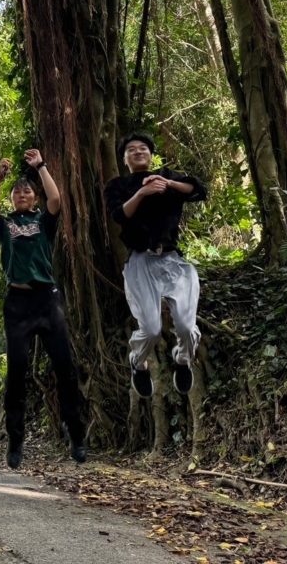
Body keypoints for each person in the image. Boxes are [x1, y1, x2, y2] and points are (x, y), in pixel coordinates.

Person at [0, 149, 87, 469]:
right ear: (13, 199)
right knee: (17, 372)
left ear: (34, 197)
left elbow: (56, 201)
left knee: (65, 369)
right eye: (17, 191)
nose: (22, 194)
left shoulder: (44, 221)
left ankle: (77, 438)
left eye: (27, 190)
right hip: (17, 304)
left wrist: (41, 166)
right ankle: (16, 443)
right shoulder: (6, 226)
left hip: (47, 300)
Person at [103, 133, 207, 398]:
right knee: (150, 329)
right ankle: (138, 363)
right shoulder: (118, 185)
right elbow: (118, 215)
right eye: (131, 150)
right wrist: (142, 192)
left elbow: (197, 190)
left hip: (173, 260)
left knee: (185, 326)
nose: (138, 152)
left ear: (151, 154)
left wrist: (167, 183)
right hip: (140, 261)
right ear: (124, 159)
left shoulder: (166, 177)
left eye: (143, 148)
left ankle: (182, 360)